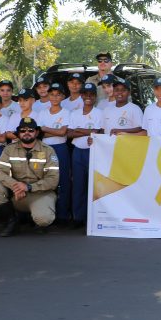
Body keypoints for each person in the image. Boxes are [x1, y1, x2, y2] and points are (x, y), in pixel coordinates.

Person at [0, 118, 60, 236]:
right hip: (16, 193)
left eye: (31, 130)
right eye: (23, 130)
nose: (27, 132)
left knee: (44, 219)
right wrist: (16, 186)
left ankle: (36, 220)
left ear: (36, 132)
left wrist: (28, 187)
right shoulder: (9, 149)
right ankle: (12, 221)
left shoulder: (48, 151)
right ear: (18, 133)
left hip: (39, 193)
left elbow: (53, 180)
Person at [68, 83, 104, 227]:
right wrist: (89, 131)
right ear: (81, 95)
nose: (88, 97)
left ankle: (92, 217)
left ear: (95, 97)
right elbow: (69, 133)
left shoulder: (99, 113)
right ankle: (78, 217)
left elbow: (99, 132)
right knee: (78, 185)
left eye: (91, 94)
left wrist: (80, 130)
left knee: (93, 185)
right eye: (85, 94)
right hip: (77, 152)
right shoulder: (74, 113)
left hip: (93, 152)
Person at [37, 82, 72, 224]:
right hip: (44, 149)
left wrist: (46, 129)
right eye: (52, 94)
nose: (55, 97)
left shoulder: (67, 113)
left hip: (60, 148)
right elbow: (39, 134)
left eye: (58, 95)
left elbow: (63, 132)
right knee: (42, 179)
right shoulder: (42, 113)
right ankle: (44, 213)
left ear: (63, 97)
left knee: (63, 181)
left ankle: (63, 215)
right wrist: (53, 132)